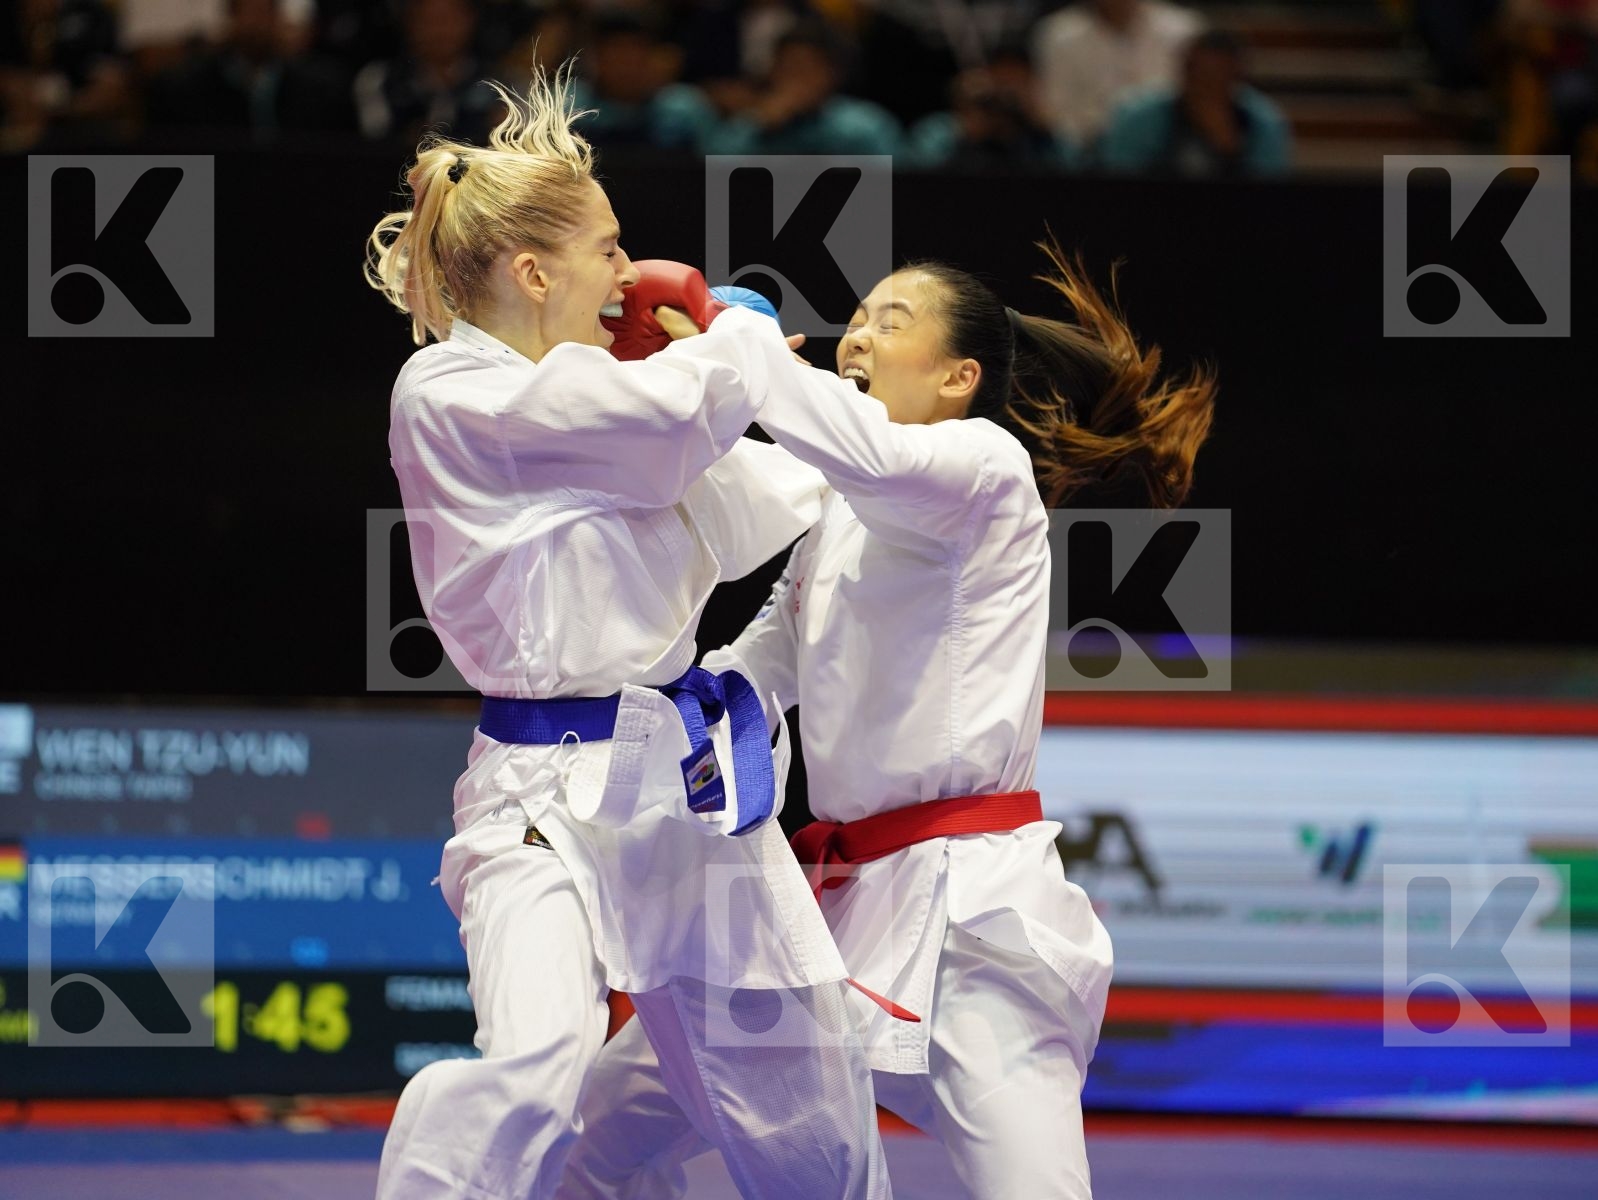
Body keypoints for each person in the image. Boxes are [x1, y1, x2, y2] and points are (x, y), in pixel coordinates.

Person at [562, 241, 1216, 1199]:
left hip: (971, 920)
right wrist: (670, 721)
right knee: (606, 1124)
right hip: (825, 906)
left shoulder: (986, 470)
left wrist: (734, 336)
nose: (858, 335)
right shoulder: (841, 508)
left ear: (961, 378)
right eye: (858, 317)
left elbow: (860, 446)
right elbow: (767, 655)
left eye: (891, 322)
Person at [364, 64, 891, 1200]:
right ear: (530, 268)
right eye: (608, 248)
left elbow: (772, 487)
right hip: (539, 797)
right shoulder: (450, 392)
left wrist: (843, 426)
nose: (626, 271)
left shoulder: (606, 402)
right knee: (536, 1060)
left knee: (804, 1109)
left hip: (683, 785)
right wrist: (733, 344)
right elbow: (666, 427)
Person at [1098, 29, 1292, 177]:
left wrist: (1228, 145)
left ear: (1237, 77)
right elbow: (1117, 180)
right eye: (1197, 74)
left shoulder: (1263, 123)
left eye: (1216, 77)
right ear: (1183, 70)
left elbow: (1269, 190)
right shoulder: (1139, 116)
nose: (1205, 86)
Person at [1033, 0, 1205, 153]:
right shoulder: (1057, 34)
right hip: (1090, 155)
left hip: (1172, 150)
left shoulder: (1184, 29)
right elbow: (1055, 109)